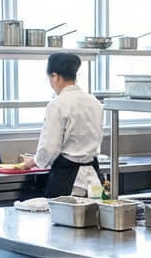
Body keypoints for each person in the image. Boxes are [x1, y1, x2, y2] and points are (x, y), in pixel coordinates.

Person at [28, 52, 104, 198]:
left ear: (55, 76)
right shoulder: (94, 102)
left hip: (68, 182)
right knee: (93, 219)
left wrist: (33, 161)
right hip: (93, 180)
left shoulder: (57, 104)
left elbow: (50, 148)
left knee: (63, 220)